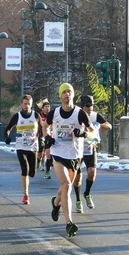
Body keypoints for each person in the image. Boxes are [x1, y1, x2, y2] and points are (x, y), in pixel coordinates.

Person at [42, 83, 96, 237]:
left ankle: (56, 203)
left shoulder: (80, 113)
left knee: (66, 187)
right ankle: (69, 223)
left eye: (69, 92)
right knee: (66, 185)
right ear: (61, 95)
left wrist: (84, 133)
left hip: (75, 155)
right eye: (64, 92)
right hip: (58, 152)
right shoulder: (55, 113)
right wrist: (47, 137)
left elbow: (93, 133)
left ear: (73, 94)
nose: (67, 94)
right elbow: (45, 126)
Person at [73, 95, 112, 213]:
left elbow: (108, 126)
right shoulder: (76, 114)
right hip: (77, 148)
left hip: (90, 148)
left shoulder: (95, 116)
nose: (90, 108)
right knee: (78, 176)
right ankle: (78, 200)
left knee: (92, 172)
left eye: (92, 105)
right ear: (82, 106)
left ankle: (87, 194)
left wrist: (99, 125)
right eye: (87, 106)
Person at [4, 94, 42, 205]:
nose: (26, 106)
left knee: (32, 173)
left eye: (28, 104)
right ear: (21, 104)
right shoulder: (17, 116)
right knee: (24, 169)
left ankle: (36, 164)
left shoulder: (36, 115)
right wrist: (7, 136)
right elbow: (8, 128)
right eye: (24, 104)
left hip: (33, 147)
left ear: (31, 104)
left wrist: (43, 139)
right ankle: (26, 195)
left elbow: (43, 129)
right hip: (20, 146)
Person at [36, 98, 53, 178]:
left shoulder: (52, 115)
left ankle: (47, 172)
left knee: (48, 154)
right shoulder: (39, 116)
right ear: (42, 108)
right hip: (41, 136)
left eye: (48, 106)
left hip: (49, 137)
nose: (47, 108)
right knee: (40, 154)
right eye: (46, 106)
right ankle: (39, 161)